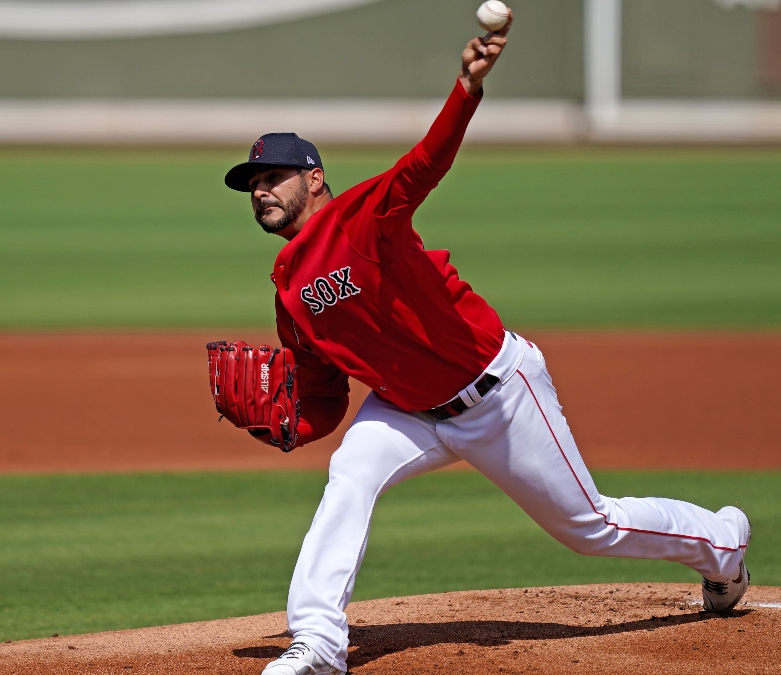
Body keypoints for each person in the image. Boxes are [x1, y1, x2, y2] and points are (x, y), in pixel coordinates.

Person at [220, 13, 750, 675]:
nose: (261, 189)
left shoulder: (365, 215)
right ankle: (320, 641)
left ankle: (722, 542)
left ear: (315, 178)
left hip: (496, 391)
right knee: (350, 474)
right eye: (252, 184)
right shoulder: (289, 293)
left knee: (590, 527)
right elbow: (325, 397)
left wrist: (466, 87)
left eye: (272, 175)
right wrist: (286, 427)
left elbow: (424, 163)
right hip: (406, 407)